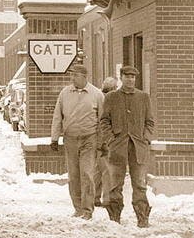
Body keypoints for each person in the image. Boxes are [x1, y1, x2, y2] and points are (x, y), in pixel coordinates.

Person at [99, 66, 155, 227]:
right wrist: (110, 138)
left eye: (133, 77)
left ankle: (142, 218)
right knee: (116, 184)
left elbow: (150, 122)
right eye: (127, 76)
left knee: (139, 183)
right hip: (118, 148)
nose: (130, 79)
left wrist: (145, 138)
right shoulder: (111, 97)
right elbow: (104, 121)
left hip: (138, 148)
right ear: (121, 77)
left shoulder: (143, 97)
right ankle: (115, 218)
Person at [49, 64, 105, 220]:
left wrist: (103, 142)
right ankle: (78, 208)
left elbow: (103, 120)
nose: (72, 78)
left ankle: (88, 210)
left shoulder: (97, 94)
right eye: (71, 75)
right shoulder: (65, 93)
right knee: (73, 175)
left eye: (75, 75)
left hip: (89, 138)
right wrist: (54, 138)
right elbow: (57, 116)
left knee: (87, 173)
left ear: (84, 76)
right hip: (70, 139)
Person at [93, 76, 119, 207]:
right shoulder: (109, 101)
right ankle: (107, 198)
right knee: (107, 170)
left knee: (97, 169)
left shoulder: (98, 98)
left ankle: (94, 196)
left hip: (96, 139)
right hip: (105, 140)